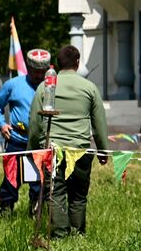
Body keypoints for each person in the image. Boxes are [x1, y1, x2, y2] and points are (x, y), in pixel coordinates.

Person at [27, 45, 109, 237]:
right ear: (78, 63)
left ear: (56, 63)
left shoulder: (45, 86)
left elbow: (35, 123)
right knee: (79, 195)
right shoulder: (89, 88)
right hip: (81, 150)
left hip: (52, 151)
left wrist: (32, 150)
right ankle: (78, 233)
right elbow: (99, 124)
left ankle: (59, 234)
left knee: (55, 193)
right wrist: (103, 151)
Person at [0, 48, 51, 217]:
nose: (38, 76)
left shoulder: (52, 88)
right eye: (35, 72)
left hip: (40, 142)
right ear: (28, 68)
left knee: (39, 180)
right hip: (16, 139)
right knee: (11, 178)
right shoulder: (13, 85)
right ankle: (6, 211)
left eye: (42, 72)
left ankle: (36, 210)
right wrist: (1, 124)